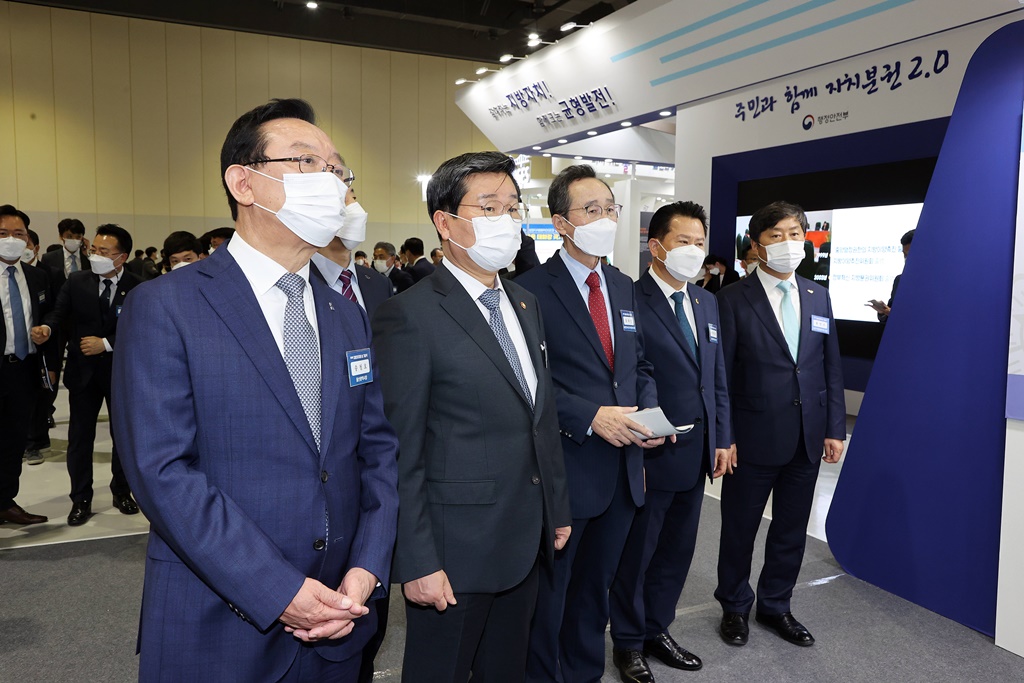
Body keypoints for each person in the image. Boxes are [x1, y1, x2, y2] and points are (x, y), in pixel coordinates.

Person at [111, 97, 399, 682]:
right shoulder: (166, 305)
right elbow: (161, 471)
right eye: (307, 162)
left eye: (338, 170)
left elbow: (377, 452)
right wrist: (280, 590)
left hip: (341, 617)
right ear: (244, 182)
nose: (333, 183)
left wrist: (367, 569)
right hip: (220, 619)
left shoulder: (347, 315)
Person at [372, 151, 571, 682]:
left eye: (512, 206)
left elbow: (540, 415)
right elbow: (400, 449)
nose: (506, 221)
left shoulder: (525, 302)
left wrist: (557, 507)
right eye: (488, 207)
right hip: (454, 550)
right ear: (444, 222)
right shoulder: (409, 316)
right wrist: (416, 560)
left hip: (525, 536)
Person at [517, 164, 664, 683]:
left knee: (593, 596)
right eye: (591, 210)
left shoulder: (622, 287)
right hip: (565, 469)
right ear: (561, 222)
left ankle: (583, 675)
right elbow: (524, 381)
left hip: (623, 471)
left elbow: (639, 365)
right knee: (550, 597)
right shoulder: (528, 290)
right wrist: (589, 415)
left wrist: (649, 414)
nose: (605, 219)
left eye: (610, 209)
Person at [609, 201, 733, 681]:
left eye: (700, 243)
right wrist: (649, 426)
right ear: (656, 245)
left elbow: (715, 376)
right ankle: (627, 641)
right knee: (637, 553)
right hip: (651, 449)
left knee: (677, 553)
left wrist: (723, 436)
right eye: (684, 242)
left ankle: (656, 628)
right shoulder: (631, 299)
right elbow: (631, 374)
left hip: (697, 452)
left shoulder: (705, 300)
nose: (695, 251)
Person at [714, 200, 845, 648]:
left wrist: (834, 428)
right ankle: (734, 606)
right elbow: (722, 376)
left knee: (791, 528)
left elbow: (829, 366)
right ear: (757, 244)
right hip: (751, 439)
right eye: (777, 235)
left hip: (807, 436)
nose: (789, 243)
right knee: (739, 529)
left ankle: (776, 605)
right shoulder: (731, 298)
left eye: (795, 233)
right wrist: (724, 435)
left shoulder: (817, 294)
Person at [39, 223, 142, 525]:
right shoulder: (77, 281)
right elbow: (58, 313)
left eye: (104, 251)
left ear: (121, 258)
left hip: (120, 373)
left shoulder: (138, 286)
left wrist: (107, 344)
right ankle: (80, 499)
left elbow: (142, 328)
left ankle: (122, 491)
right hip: (83, 373)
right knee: (79, 439)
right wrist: (47, 327)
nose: (96, 255)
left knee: (122, 437)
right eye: (94, 249)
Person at [0, 205, 57, 525]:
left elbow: (50, 311)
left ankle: (5, 501)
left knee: (14, 440)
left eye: (18, 234)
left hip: (23, 369)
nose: (11, 239)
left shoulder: (36, 275)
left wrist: (46, 328)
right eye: (3, 234)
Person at [311, 181, 391, 321]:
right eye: (343, 199)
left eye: (353, 198)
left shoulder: (380, 284)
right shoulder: (300, 283)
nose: (354, 208)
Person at [867, 228, 915, 323]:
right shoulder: (899, 280)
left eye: (910, 255)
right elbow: (888, 315)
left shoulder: (936, 284)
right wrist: (883, 311)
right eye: (905, 255)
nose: (906, 260)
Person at [39, 217, 91, 291]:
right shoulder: (49, 258)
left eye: (78, 237)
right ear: (61, 236)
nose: (74, 240)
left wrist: (88, 255)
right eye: (69, 236)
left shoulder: (88, 258)